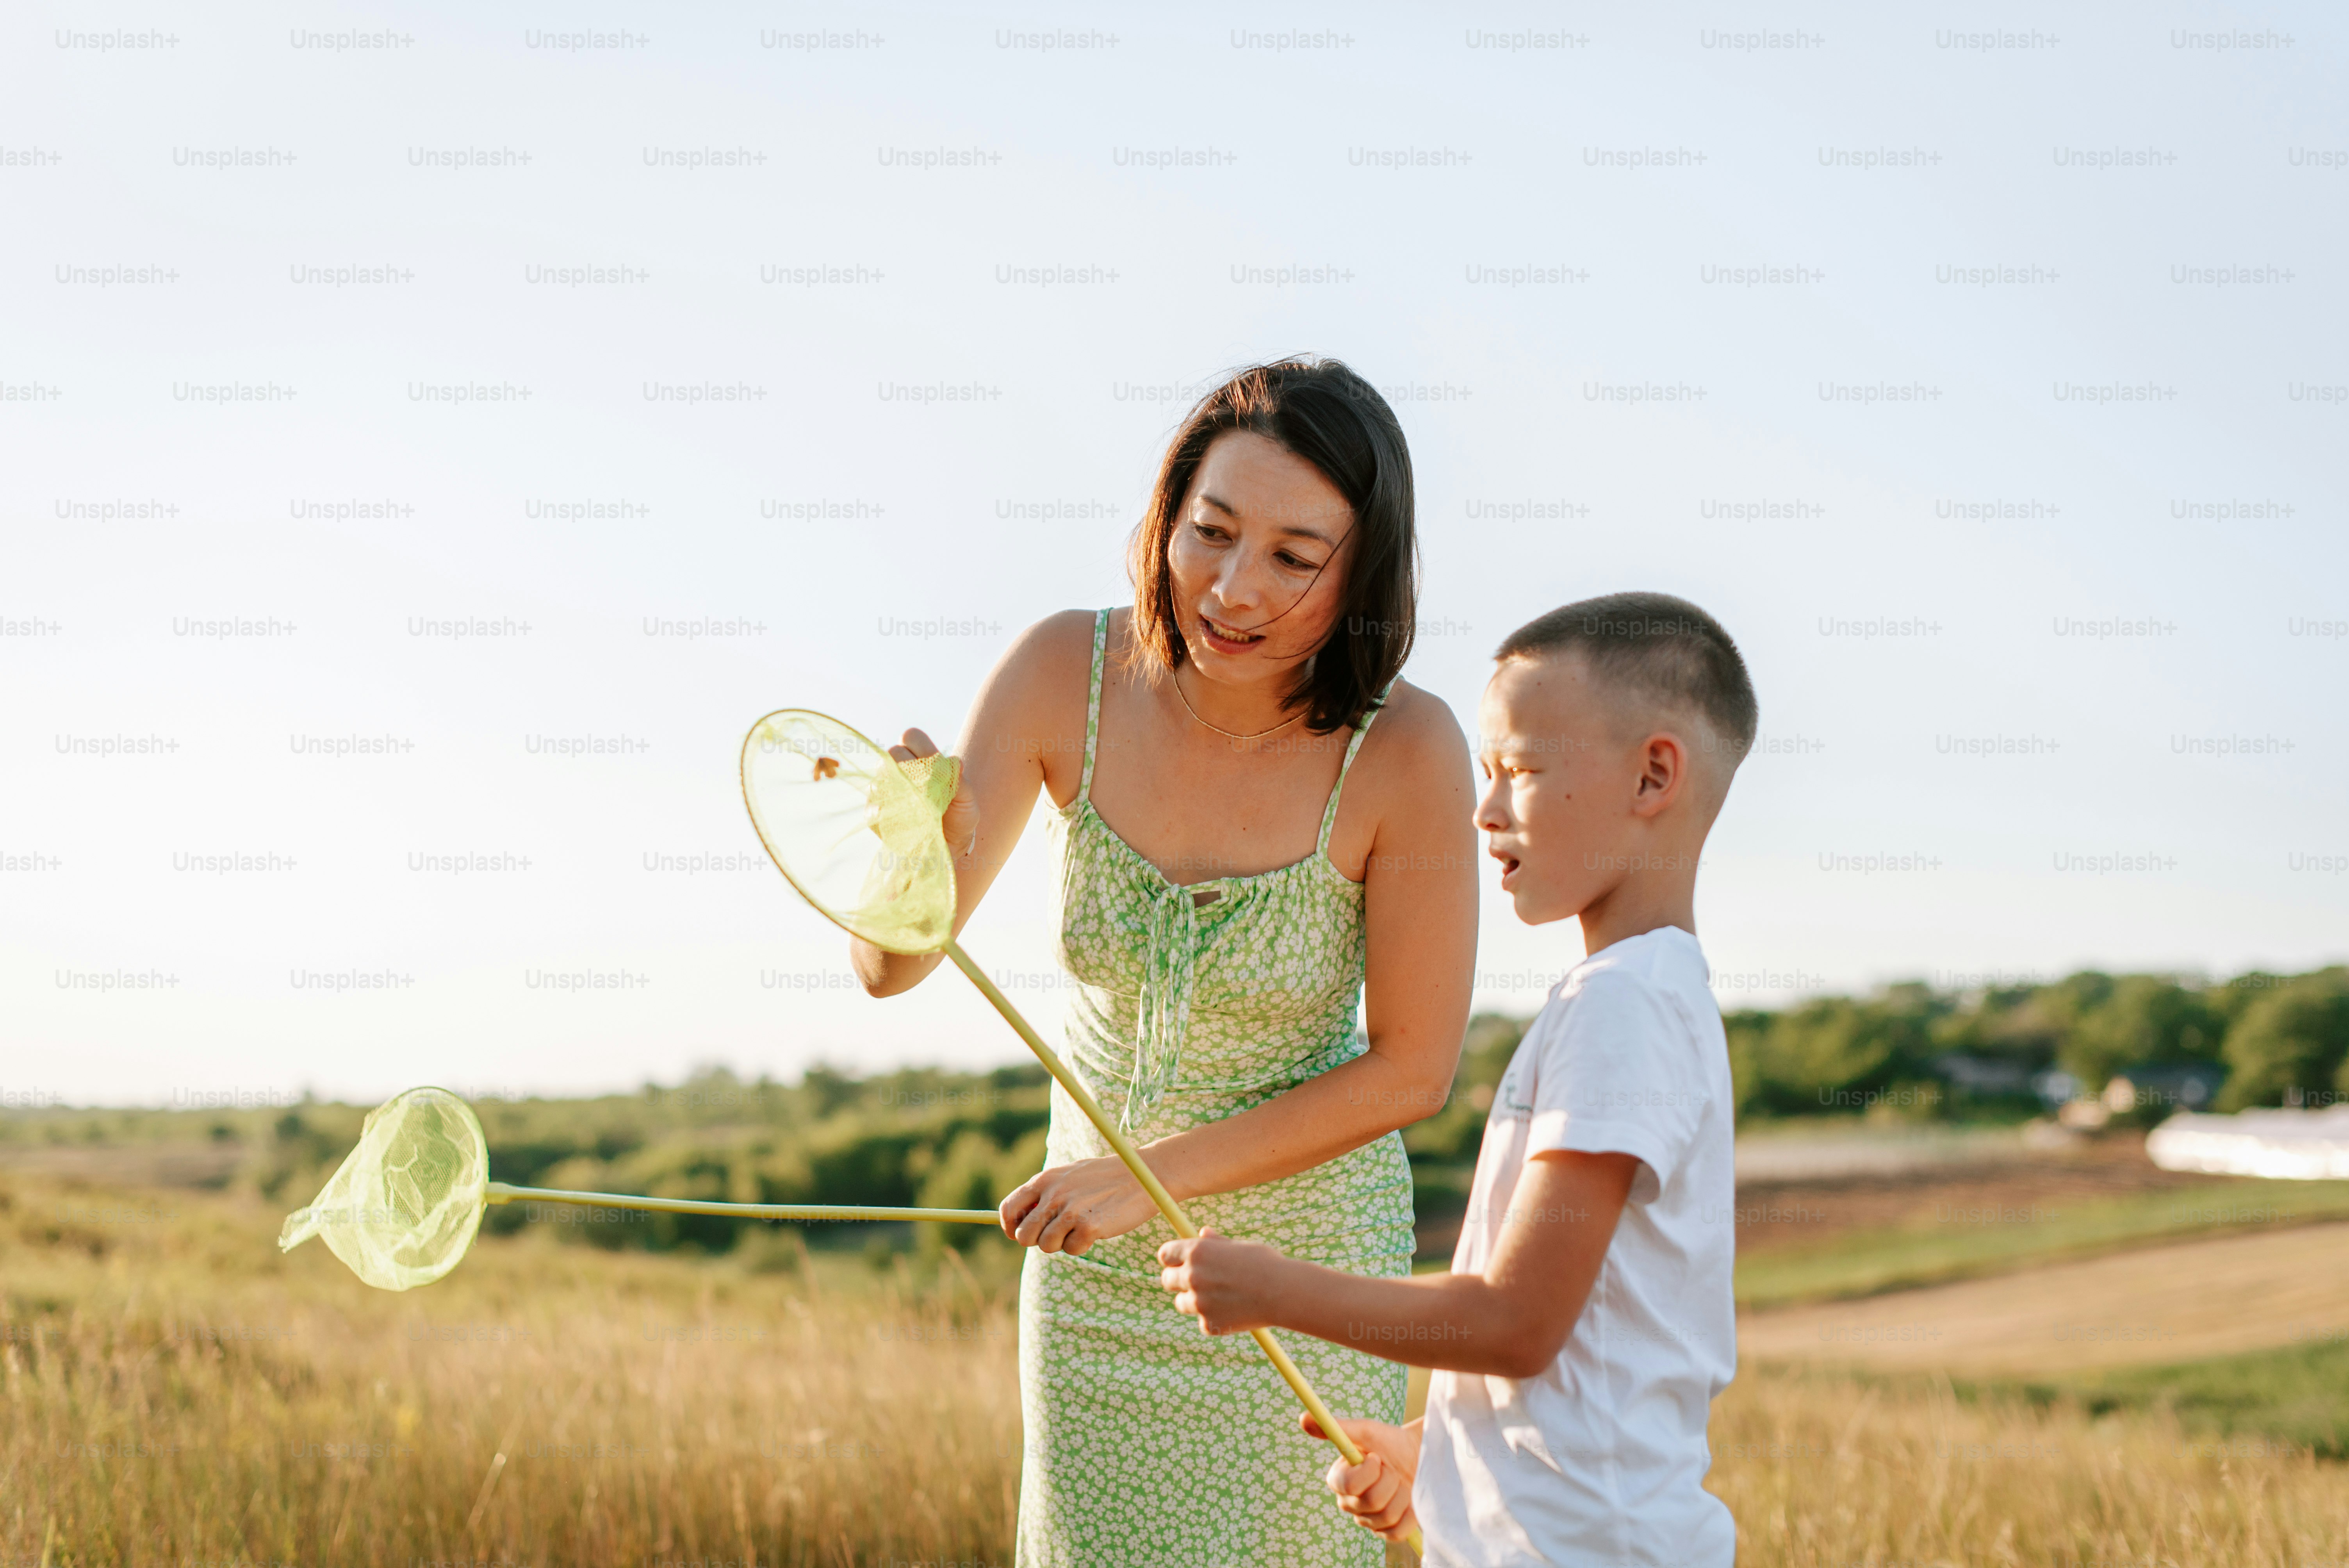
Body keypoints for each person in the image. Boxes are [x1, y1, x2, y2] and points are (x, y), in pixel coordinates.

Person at [852, 358, 1480, 1565]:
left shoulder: (1407, 749)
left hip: (1299, 1281)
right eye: (1212, 532)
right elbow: (891, 970)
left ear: (1363, 574)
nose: (1235, 589)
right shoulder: (1060, 674)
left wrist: (1144, 1179)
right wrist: (905, 856)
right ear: (1165, 520)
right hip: (1091, 1280)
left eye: (1296, 558)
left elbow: (1413, 1071)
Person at [1157, 591, 1757, 1567]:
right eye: (1485, 772)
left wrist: (1274, 1288)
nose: (1482, 809)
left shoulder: (1626, 1007)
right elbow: (1580, 1349)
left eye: (1518, 769)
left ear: (1653, 775)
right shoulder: (1625, 997)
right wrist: (1436, 1456)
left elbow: (1513, 1321)